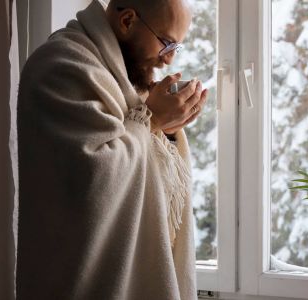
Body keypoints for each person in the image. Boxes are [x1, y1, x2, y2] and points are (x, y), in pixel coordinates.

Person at [16, 0, 205, 298]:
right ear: (128, 20)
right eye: (167, 44)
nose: (168, 61)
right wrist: (152, 119)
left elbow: (144, 154)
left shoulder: (127, 78)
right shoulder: (61, 66)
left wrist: (167, 131)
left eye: (175, 49)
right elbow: (93, 179)